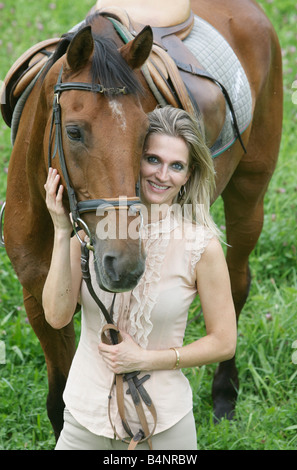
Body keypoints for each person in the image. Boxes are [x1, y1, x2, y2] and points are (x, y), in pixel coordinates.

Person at [43, 106, 237, 450]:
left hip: (163, 428)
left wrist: (146, 359)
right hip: (84, 420)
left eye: (176, 165)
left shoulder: (201, 245)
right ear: (134, 159)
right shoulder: (98, 229)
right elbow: (57, 317)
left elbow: (224, 342)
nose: (162, 174)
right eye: (152, 159)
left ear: (189, 174)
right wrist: (62, 231)